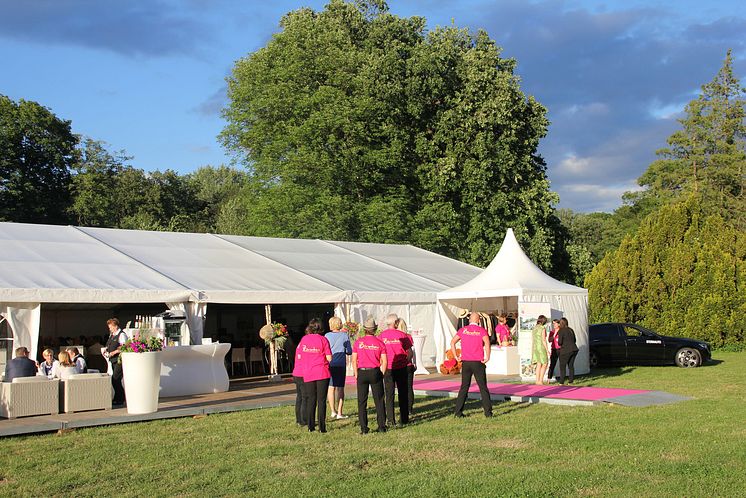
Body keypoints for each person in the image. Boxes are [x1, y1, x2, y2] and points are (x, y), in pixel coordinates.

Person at [451, 311, 493, 418]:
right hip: (478, 362)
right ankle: (488, 413)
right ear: (479, 321)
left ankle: (458, 412)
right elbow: (487, 344)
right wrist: (487, 356)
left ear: (469, 320)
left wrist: (456, 356)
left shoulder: (463, 330)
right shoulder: (482, 330)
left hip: (466, 362)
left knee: (464, 387)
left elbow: (452, 342)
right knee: (483, 387)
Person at [352, 317, 388, 434]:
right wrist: (381, 373)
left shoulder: (358, 342)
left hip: (362, 371)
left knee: (362, 401)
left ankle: (364, 427)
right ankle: (382, 426)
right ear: (375, 329)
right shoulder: (380, 343)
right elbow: (385, 361)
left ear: (364, 329)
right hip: (375, 371)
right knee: (379, 400)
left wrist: (356, 374)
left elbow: (354, 360)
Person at [297, 318, 332, 433]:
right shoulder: (323, 340)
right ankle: (322, 427)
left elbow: (301, 355)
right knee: (321, 400)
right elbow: (329, 358)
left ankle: (310, 426)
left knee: (311, 399)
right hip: (322, 372)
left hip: (308, 372)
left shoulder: (304, 339)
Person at [380, 313, 412, 427]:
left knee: (389, 394)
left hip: (388, 368)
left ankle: (390, 419)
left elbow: (379, 353)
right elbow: (410, 353)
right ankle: (404, 419)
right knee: (403, 393)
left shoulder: (382, 335)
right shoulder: (402, 335)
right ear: (396, 323)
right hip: (401, 367)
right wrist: (405, 361)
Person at [325, 316, 352, 420]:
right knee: (340, 388)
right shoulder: (345, 336)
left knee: (331, 387)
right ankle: (340, 412)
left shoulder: (327, 336)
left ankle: (333, 411)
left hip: (330, 362)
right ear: (340, 324)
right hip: (340, 363)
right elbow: (349, 351)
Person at [105, 318, 128, 405]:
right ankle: (118, 398)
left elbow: (124, 347)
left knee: (115, 378)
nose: (109, 329)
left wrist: (114, 352)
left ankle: (120, 398)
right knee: (115, 379)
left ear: (115, 326)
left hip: (119, 359)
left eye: (110, 327)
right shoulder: (112, 335)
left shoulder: (121, 335)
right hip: (113, 360)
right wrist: (106, 350)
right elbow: (108, 345)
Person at [395, 317, 416, 414]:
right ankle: (409, 408)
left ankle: (404, 408)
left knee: (402, 388)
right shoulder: (408, 336)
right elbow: (412, 351)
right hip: (408, 364)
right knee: (409, 387)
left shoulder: (397, 337)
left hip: (402, 364)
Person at [291, 327, 307, 428]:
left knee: (299, 397)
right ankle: (303, 420)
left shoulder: (299, 345)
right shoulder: (306, 344)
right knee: (305, 397)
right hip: (303, 373)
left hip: (296, 372)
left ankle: (298, 419)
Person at [557, 317, 579, 385]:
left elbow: (560, 342)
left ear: (561, 323)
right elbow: (575, 340)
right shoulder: (571, 330)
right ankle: (571, 381)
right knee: (571, 366)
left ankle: (561, 382)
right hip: (574, 349)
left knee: (562, 366)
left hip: (566, 350)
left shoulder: (561, 330)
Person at [531, 315, 550, 385]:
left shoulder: (534, 328)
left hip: (535, 347)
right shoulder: (542, 328)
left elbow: (533, 340)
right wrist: (547, 350)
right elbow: (544, 340)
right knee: (545, 363)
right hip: (541, 347)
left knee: (539, 364)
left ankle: (537, 380)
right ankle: (541, 380)